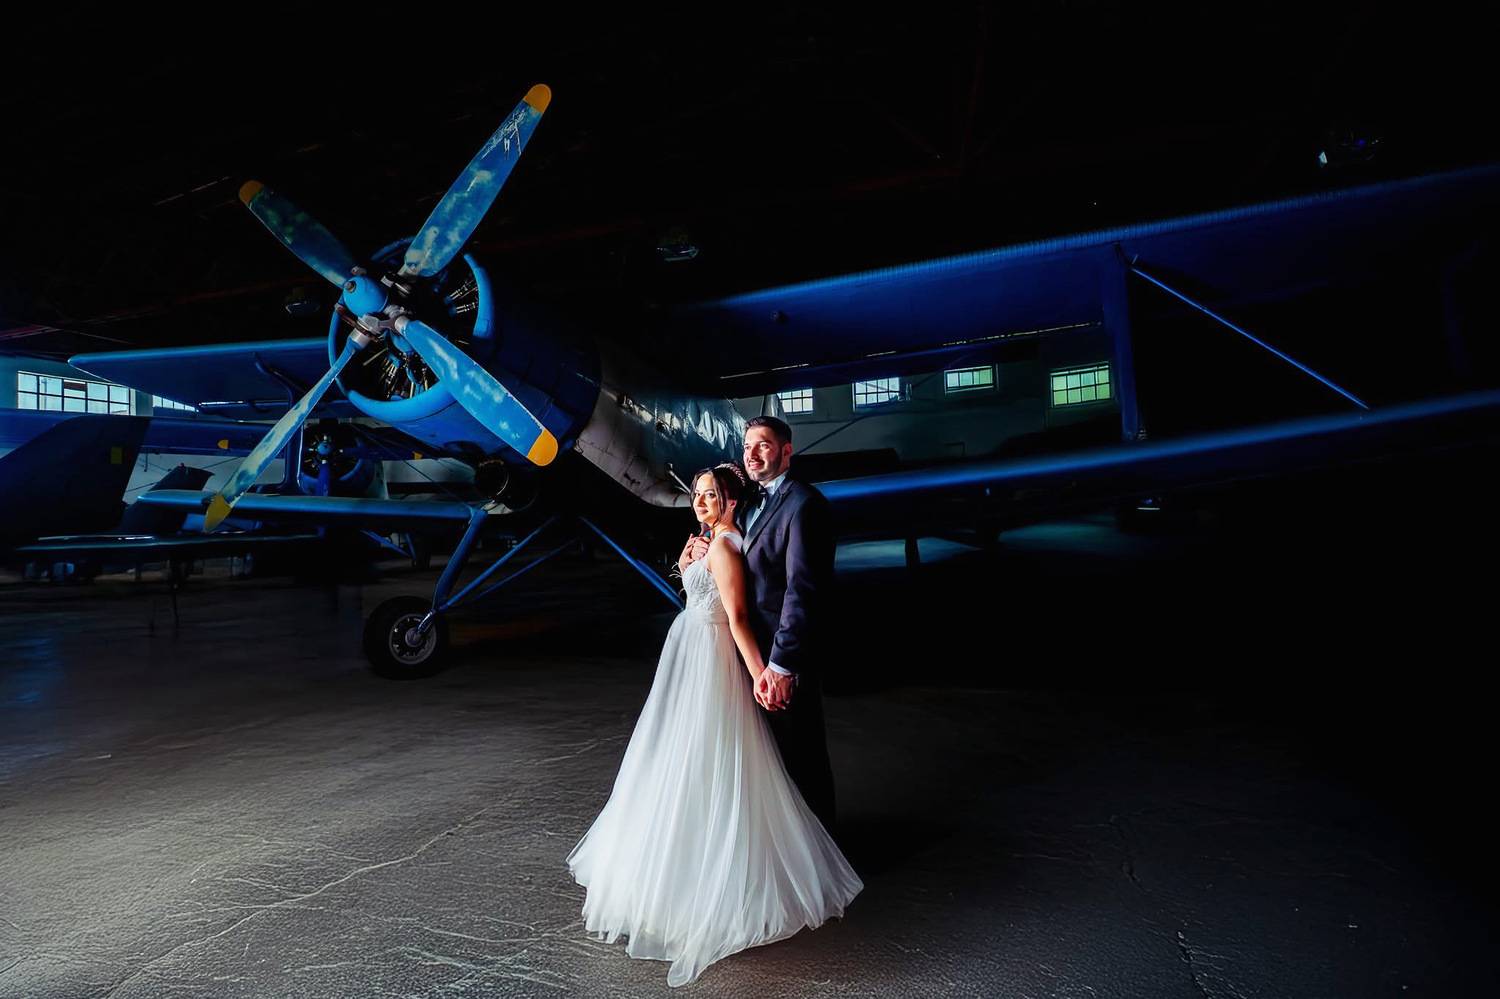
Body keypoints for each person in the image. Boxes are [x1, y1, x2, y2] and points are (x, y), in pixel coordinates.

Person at [567, 462, 861, 988]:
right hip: (690, 650)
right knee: (679, 752)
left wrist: (761, 675)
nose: (700, 501)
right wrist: (686, 563)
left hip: (710, 655)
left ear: (731, 500)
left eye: (710, 495)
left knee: (707, 753)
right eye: (698, 494)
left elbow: (738, 618)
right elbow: (699, 592)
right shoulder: (712, 542)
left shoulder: (726, 547)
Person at [679, 415, 839, 830]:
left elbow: (802, 592)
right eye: (747, 446)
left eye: (763, 445)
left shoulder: (804, 505)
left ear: (786, 451)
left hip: (781, 657)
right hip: (745, 655)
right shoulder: (749, 501)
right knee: (764, 759)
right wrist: (698, 549)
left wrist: (781, 667)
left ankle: (820, 847)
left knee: (800, 754)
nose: (752, 454)